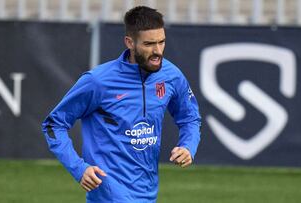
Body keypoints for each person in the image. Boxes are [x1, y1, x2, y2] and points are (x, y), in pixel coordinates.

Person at [42, 6, 201, 203]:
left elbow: (190, 118)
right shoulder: (98, 81)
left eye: (161, 42)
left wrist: (188, 146)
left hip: (147, 193)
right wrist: (79, 168)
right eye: (149, 44)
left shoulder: (171, 75)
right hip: (108, 195)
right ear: (129, 43)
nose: (158, 51)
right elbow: (53, 125)